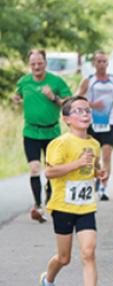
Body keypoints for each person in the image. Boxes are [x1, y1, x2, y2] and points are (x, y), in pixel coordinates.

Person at [39, 96, 107, 286]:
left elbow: (93, 168)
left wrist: (99, 173)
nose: (85, 114)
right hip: (62, 206)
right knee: (64, 257)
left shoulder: (94, 144)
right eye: (78, 111)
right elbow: (49, 173)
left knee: (88, 252)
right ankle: (48, 282)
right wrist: (76, 164)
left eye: (87, 110)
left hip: (86, 206)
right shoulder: (60, 143)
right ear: (67, 119)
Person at [13, 49, 73, 222]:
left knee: (51, 171)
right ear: (29, 65)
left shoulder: (56, 81)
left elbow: (68, 102)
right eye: (33, 64)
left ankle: (50, 202)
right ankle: (38, 206)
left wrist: (53, 97)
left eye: (40, 63)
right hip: (31, 132)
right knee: (34, 168)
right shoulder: (24, 81)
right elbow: (18, 94)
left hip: (51, 132)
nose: (36, 67)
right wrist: (16, 98)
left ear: (45, 63)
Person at [77, 51, 113, 201]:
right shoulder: (88, 80)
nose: (102, 64)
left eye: (104, 61)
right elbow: (76, 98)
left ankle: (103, 188)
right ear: (94, 64)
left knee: (107, 156)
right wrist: (92, 105)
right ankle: (97, 178)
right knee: (94, 158)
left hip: (110, 122)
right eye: (99, 62)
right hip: (92, 123)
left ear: (108, 63)